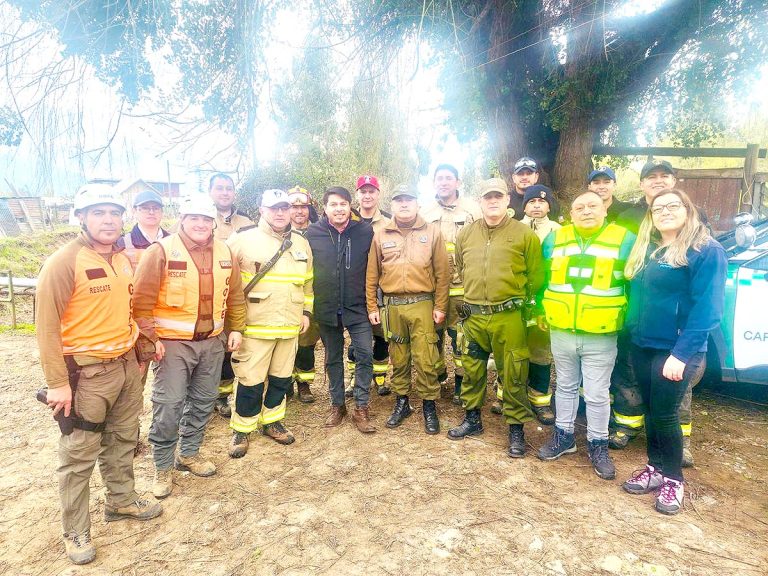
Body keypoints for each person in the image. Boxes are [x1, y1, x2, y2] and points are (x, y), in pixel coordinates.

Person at [36, 184, 162, 565]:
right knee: (79, 453)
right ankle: (75, 530)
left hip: (125, 366)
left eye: (114, 213)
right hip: (86, 374)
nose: (108, 220)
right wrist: (58, 383)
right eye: (98, 213)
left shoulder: (122, 258)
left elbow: (126, 309)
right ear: (81, 218)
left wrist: (140, 349)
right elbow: (47, 329)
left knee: (123, 437)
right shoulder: (63, 262)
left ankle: (121, 500)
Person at [621, 189, 726, 514]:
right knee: (652, 409)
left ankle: (673, 480)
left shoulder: (705, 251)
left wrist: (681, 355)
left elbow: (707, 311)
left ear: (687, 209)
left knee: (666, 414)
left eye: (673, 205)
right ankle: (654, 468)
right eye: (658, 207)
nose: (665, 211)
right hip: (643, 343)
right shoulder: (651, 249)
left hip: (676, 350)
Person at [133, 196, 246, 497]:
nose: (200, 224)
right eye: (194, 218)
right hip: (171, 347)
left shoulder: (224, 251)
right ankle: (163, 466)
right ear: (182, 219)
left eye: (206, 219)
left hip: (212, 343)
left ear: (213, 223)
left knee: (204, 400)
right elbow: (140, 304)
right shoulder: (161, 252)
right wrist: (151, 340)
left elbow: (234, 295)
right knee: (168, 405)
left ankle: (190, 453)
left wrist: (236, 329)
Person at [536, 191, 636, 480]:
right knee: (565, 386)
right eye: (579, 207)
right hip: (562, 327)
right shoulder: (556, 239)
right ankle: (563, 436)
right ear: (571, 212)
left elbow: (635, 284)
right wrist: (543, 310)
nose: (586, 211)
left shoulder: (624, 239)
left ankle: (597, 444)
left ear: (605, 207)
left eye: (593, 205)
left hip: (601, 331)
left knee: (596, 393)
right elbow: (545, 279)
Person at [611, 160, 701, 466]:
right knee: (628, 374)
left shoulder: (693, 230)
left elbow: (702, 298)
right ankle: (627, 425)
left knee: (675, 390)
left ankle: (680, 441)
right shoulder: (628, 219)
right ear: (641, 184)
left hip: (672, 335)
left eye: (665, 176)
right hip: (635, 320)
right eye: (652, 177)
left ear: (675, 182)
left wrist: (684, 344)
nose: (658, 181)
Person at [447, 178, 544, 459]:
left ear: (507, 200)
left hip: (508, 316)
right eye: (487, 197)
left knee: (513, 372)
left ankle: (515, 428)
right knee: (472, 369)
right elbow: (463, 269)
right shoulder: (466, 234)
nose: (493, 201)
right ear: (480, 201)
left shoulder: (524, 234)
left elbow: (536, 276)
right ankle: (472, 419)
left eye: (498, 196)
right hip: (474, 316)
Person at [225, 189, 314, 457]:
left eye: (284, 208)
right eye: (273, 208)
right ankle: (242, 429)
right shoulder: (242, 240)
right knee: (250, 381)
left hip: (289, 327)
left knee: (281, 379)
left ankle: (272, 422)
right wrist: (233, 325)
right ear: (261, 210)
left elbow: (309, 282)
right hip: (254, 327)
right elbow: (228, 285)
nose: (279, 213)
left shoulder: (301, 243)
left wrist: (306, 313)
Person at [366, 184, 450, 434]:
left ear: (417, 204)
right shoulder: (381, 234)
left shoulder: (432, 232)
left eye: (409, 200)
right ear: (392, 205)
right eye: (399, 200)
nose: (404, 204)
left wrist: (441, 305)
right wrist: (372, 305)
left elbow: (443, 274)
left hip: (423, 303)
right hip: (392, 307)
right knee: (398, 357)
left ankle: (428, 405)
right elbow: (372, 274)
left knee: (426, 357)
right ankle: (402, 402)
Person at [306, 186, 376, 433]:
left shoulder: (364, 232)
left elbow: (374, 268)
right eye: (333, 204)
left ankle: (361, 406)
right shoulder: (312, 233)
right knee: (333, 358)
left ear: (350, 206)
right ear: (325, 208)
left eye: (343, 204)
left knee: (365, 354)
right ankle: (337, 405)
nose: (339, 209)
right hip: (326, 306)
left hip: (358, 306)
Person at [421, 164, 481, 403]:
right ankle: (437, 373)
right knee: (431, 337)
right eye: (439, 178)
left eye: (448, 178)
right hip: (431, 288)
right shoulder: (424, 212)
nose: (444, 182)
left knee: (461, 339)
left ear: (457, 182)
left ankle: (461, 383)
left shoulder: (473, 210)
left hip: (461, 288)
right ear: (434, 182)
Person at [208, 172, 255, 419]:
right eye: (220, 188)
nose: (225, 192)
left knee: (232, 346)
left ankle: (225, 395)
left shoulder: (246, 222)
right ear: (210, 192)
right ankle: (209, 396)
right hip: (208, 296)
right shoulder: (201, 219)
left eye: (229, 188)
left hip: (239, 295)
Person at [346, 175, 392, 396]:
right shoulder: (348, 220)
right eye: (363, 191)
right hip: (354, 286)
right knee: (357, 336)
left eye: (371, 191)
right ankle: (354, 377)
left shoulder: (389, 222)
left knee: (382, 334)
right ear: (357, 195)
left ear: (378, 194)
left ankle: (380, 377)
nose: (367, 195)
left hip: (381, 286)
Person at [286, 186, 321, 404]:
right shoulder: (279, 232)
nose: (299, 211)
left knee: (306, 342)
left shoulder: (318, 231)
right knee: (284, 342)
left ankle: (304, 383)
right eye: (294, 207)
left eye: (303, 207)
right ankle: (284, 383)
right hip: (286, 295)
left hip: (311, 294)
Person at [117, 189, 169, 270]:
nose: (151, 212)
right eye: (145, 208)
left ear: (162, 211)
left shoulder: (173, 240)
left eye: (156, 208)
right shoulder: (123, 243)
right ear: (134, 211)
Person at [508, 157, 540, 221]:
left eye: (529, 173)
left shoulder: (546, 199)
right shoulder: (505, 201)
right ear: (514, 178)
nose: (524, 177)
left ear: (536, 177)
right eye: (520, 173)